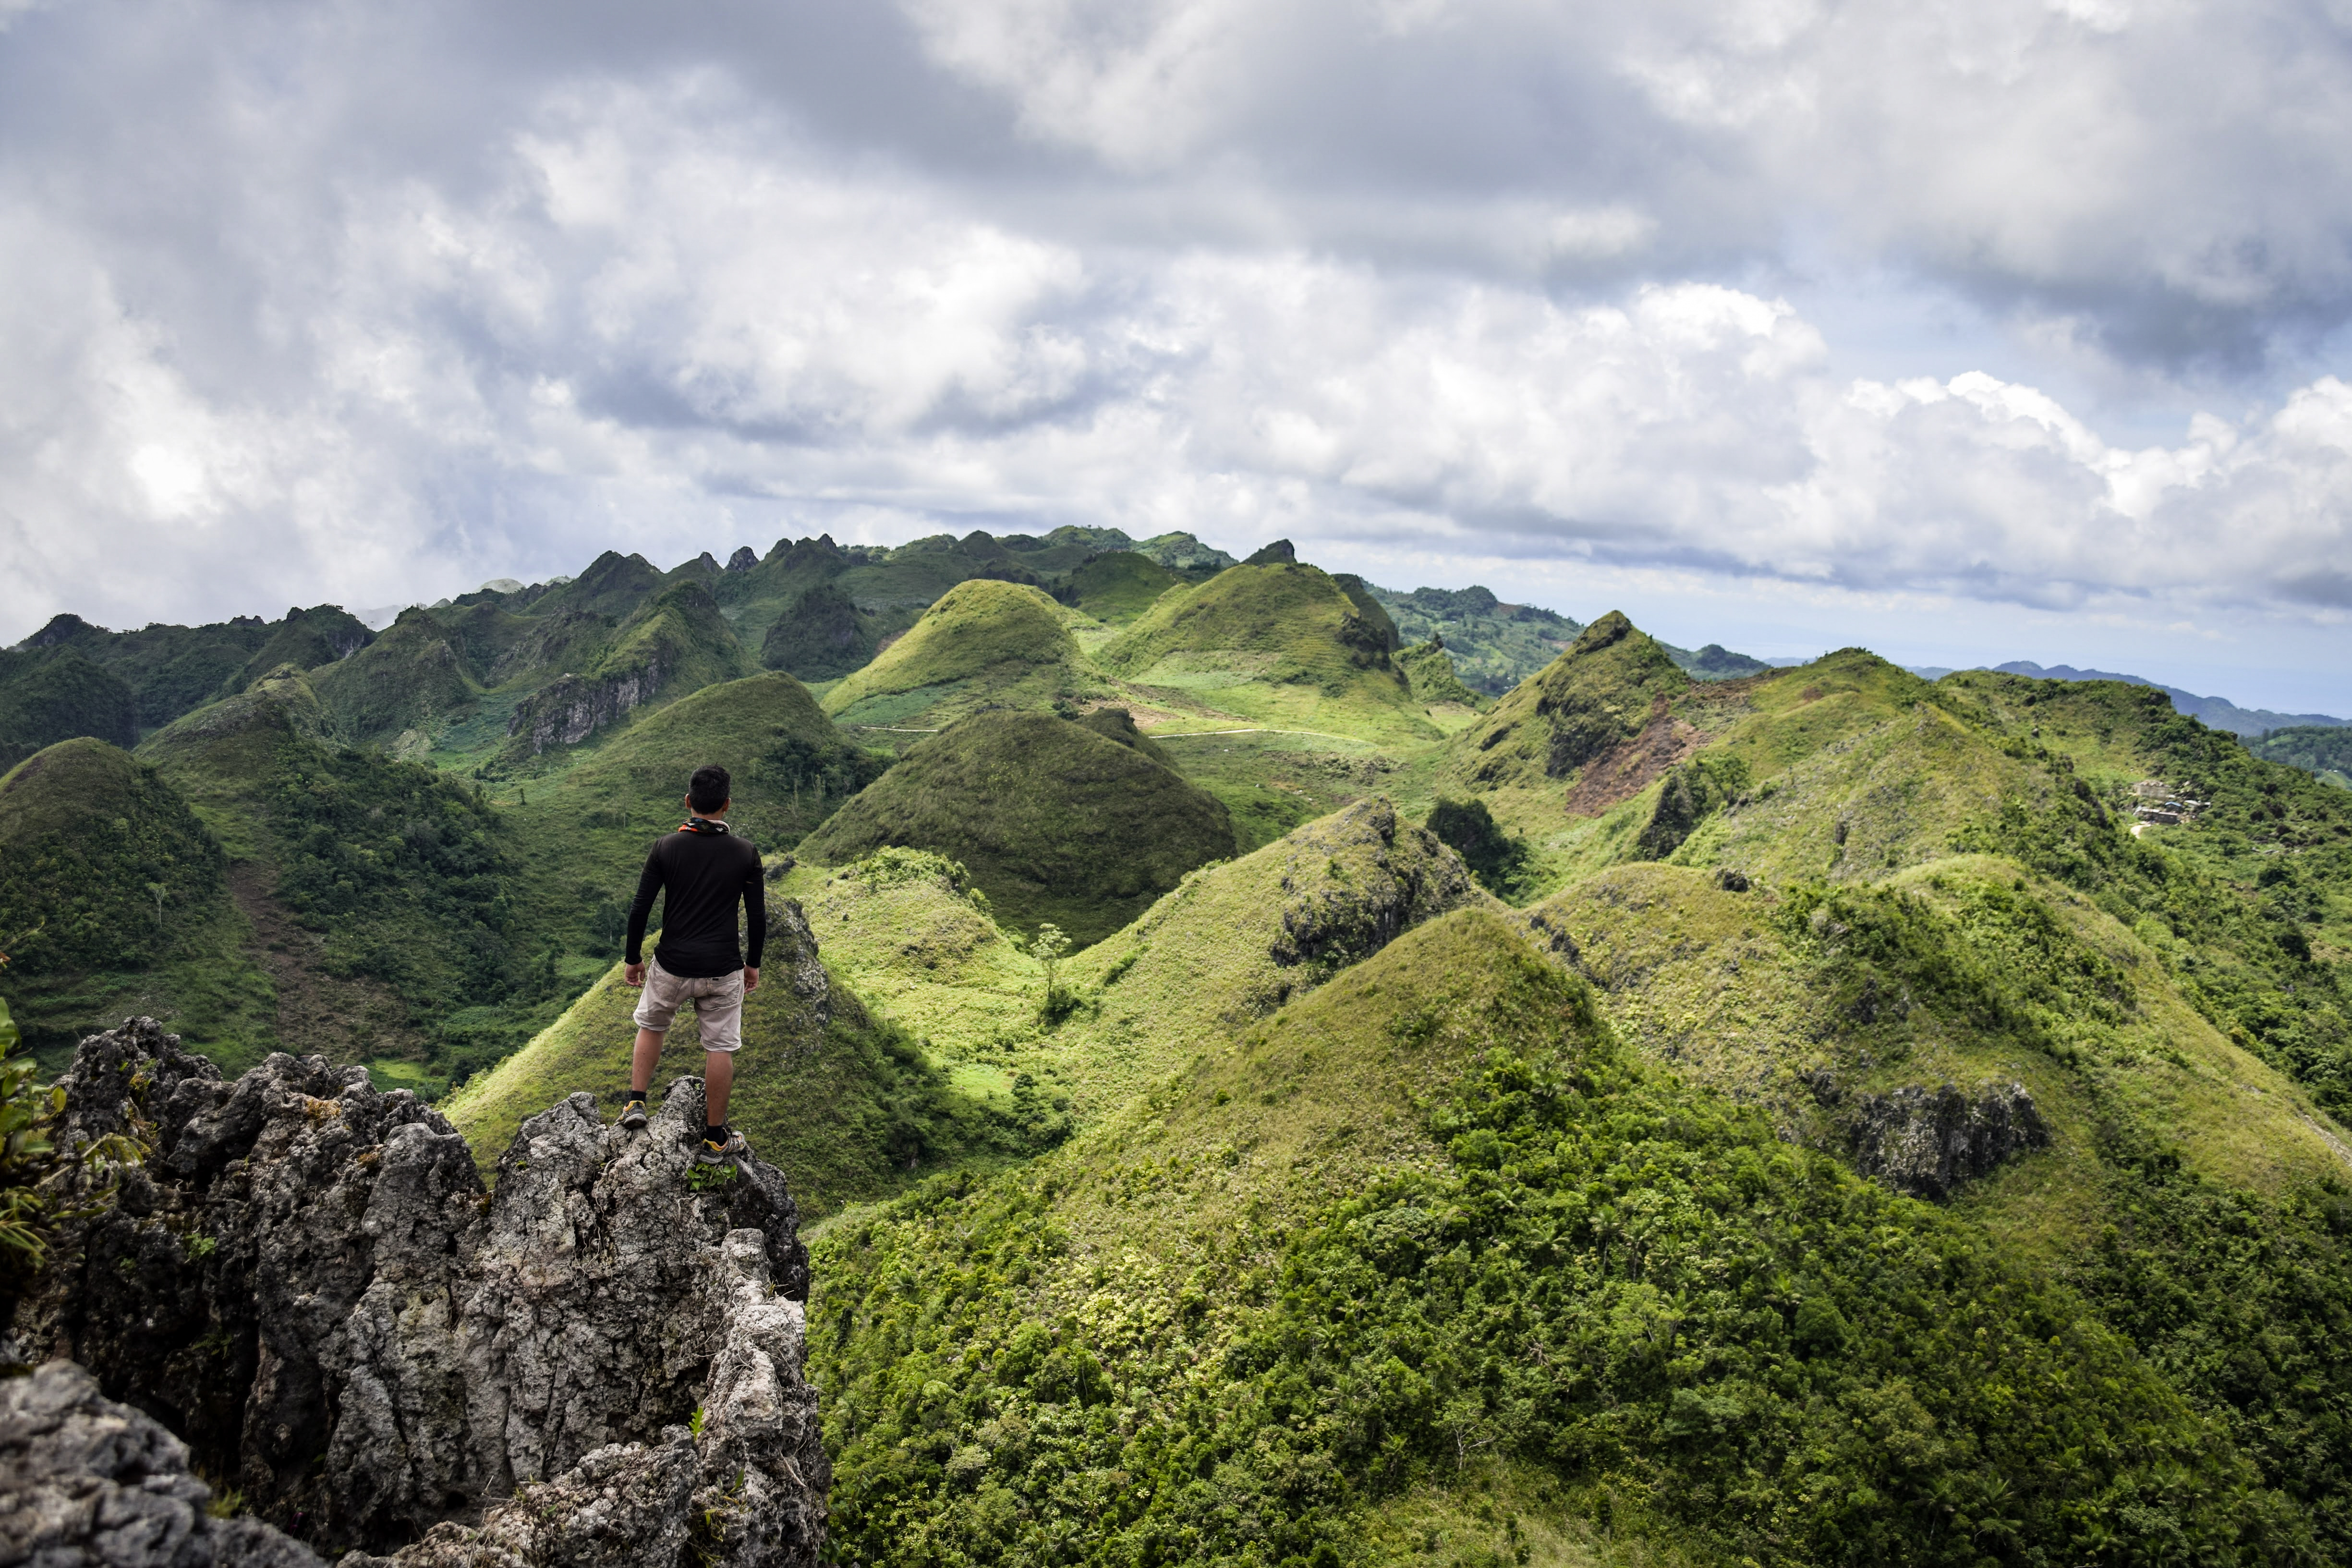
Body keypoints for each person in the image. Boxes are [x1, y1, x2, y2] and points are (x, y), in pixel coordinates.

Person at [619, 763, 764, 1162]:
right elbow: (757, 916)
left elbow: (640, 907)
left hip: (672, 964)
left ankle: (635, 1103)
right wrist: (752, 964)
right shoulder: (745, 853)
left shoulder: (666, 847)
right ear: (727, 805)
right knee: (720, 1046)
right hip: (723, 966)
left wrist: (633, 958)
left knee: (652, 1024)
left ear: (688, 802)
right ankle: (715, 1140)